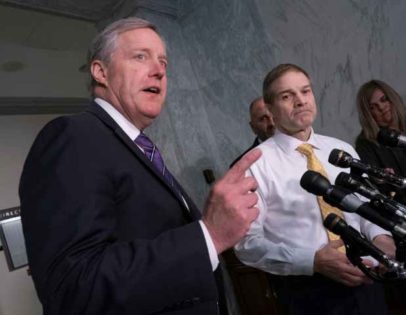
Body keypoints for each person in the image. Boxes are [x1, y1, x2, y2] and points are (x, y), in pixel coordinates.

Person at [19, 17, 261, 315]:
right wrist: (209, 235)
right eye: (140, 56)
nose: (159, 70)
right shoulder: (73, 136)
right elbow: (73, 288)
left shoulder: (139, 149)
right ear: (100, 72)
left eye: (163, 62)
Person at [234, 63, 395, 314]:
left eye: (305, 91)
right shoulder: (254, 166)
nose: (300, 101)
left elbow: (366, 208)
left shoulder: (342, 151)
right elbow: (246, 244)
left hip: (367, 277)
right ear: (271, 109)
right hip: (310, 292)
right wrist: (313, 261)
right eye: (287, 96)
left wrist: (382, 239)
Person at [355, 79, 406, 212]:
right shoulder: (366, 144)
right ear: (368, 115)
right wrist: (379, 180)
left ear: (393, 99)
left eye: (384, 100)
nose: (381, 108)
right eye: (373, 107)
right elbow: (370, 188)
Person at [230, 97, 275, 167]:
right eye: (263, 119)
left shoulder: (297, 144)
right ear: (253, 127)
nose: (272, 123)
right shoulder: (241, 165)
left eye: (274, 115)